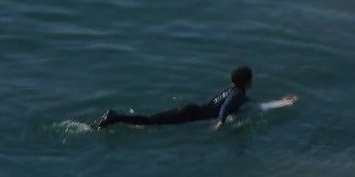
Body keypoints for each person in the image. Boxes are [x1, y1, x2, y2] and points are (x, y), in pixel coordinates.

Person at [99, 66, 254, 130]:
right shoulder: (238, 94)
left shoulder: (231, 90)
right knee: (151, 122)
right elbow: (226, 106)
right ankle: (115, 117)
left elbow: (222, 101)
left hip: (193, 110)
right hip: (192, 115)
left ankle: (116, 117)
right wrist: (221, 121)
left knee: (153, 120)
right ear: (247, 82)